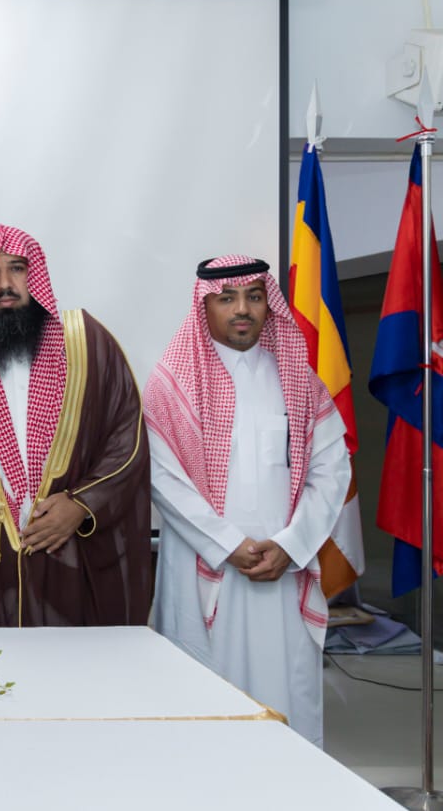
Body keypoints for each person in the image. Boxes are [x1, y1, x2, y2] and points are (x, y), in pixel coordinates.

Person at [146, 255, 349, 745]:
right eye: (227, 298)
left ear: (267, 304)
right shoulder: (170, 385)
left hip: (283, 571)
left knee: (286, 703)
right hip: (202, 570)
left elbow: (331, 470)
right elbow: (162, 479)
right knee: (203, 705)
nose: (242, 309)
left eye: (254, 297)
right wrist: (229, 545)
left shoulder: (300, 382)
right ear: (205, 306)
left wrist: (292, 545)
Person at [0, 224, 151, 627]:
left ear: (35, 273)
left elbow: (127, 440)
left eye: (17, 269)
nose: (5, 284)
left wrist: (81, 504)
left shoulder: (87, 342)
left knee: (72, 662)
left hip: (72, 559)